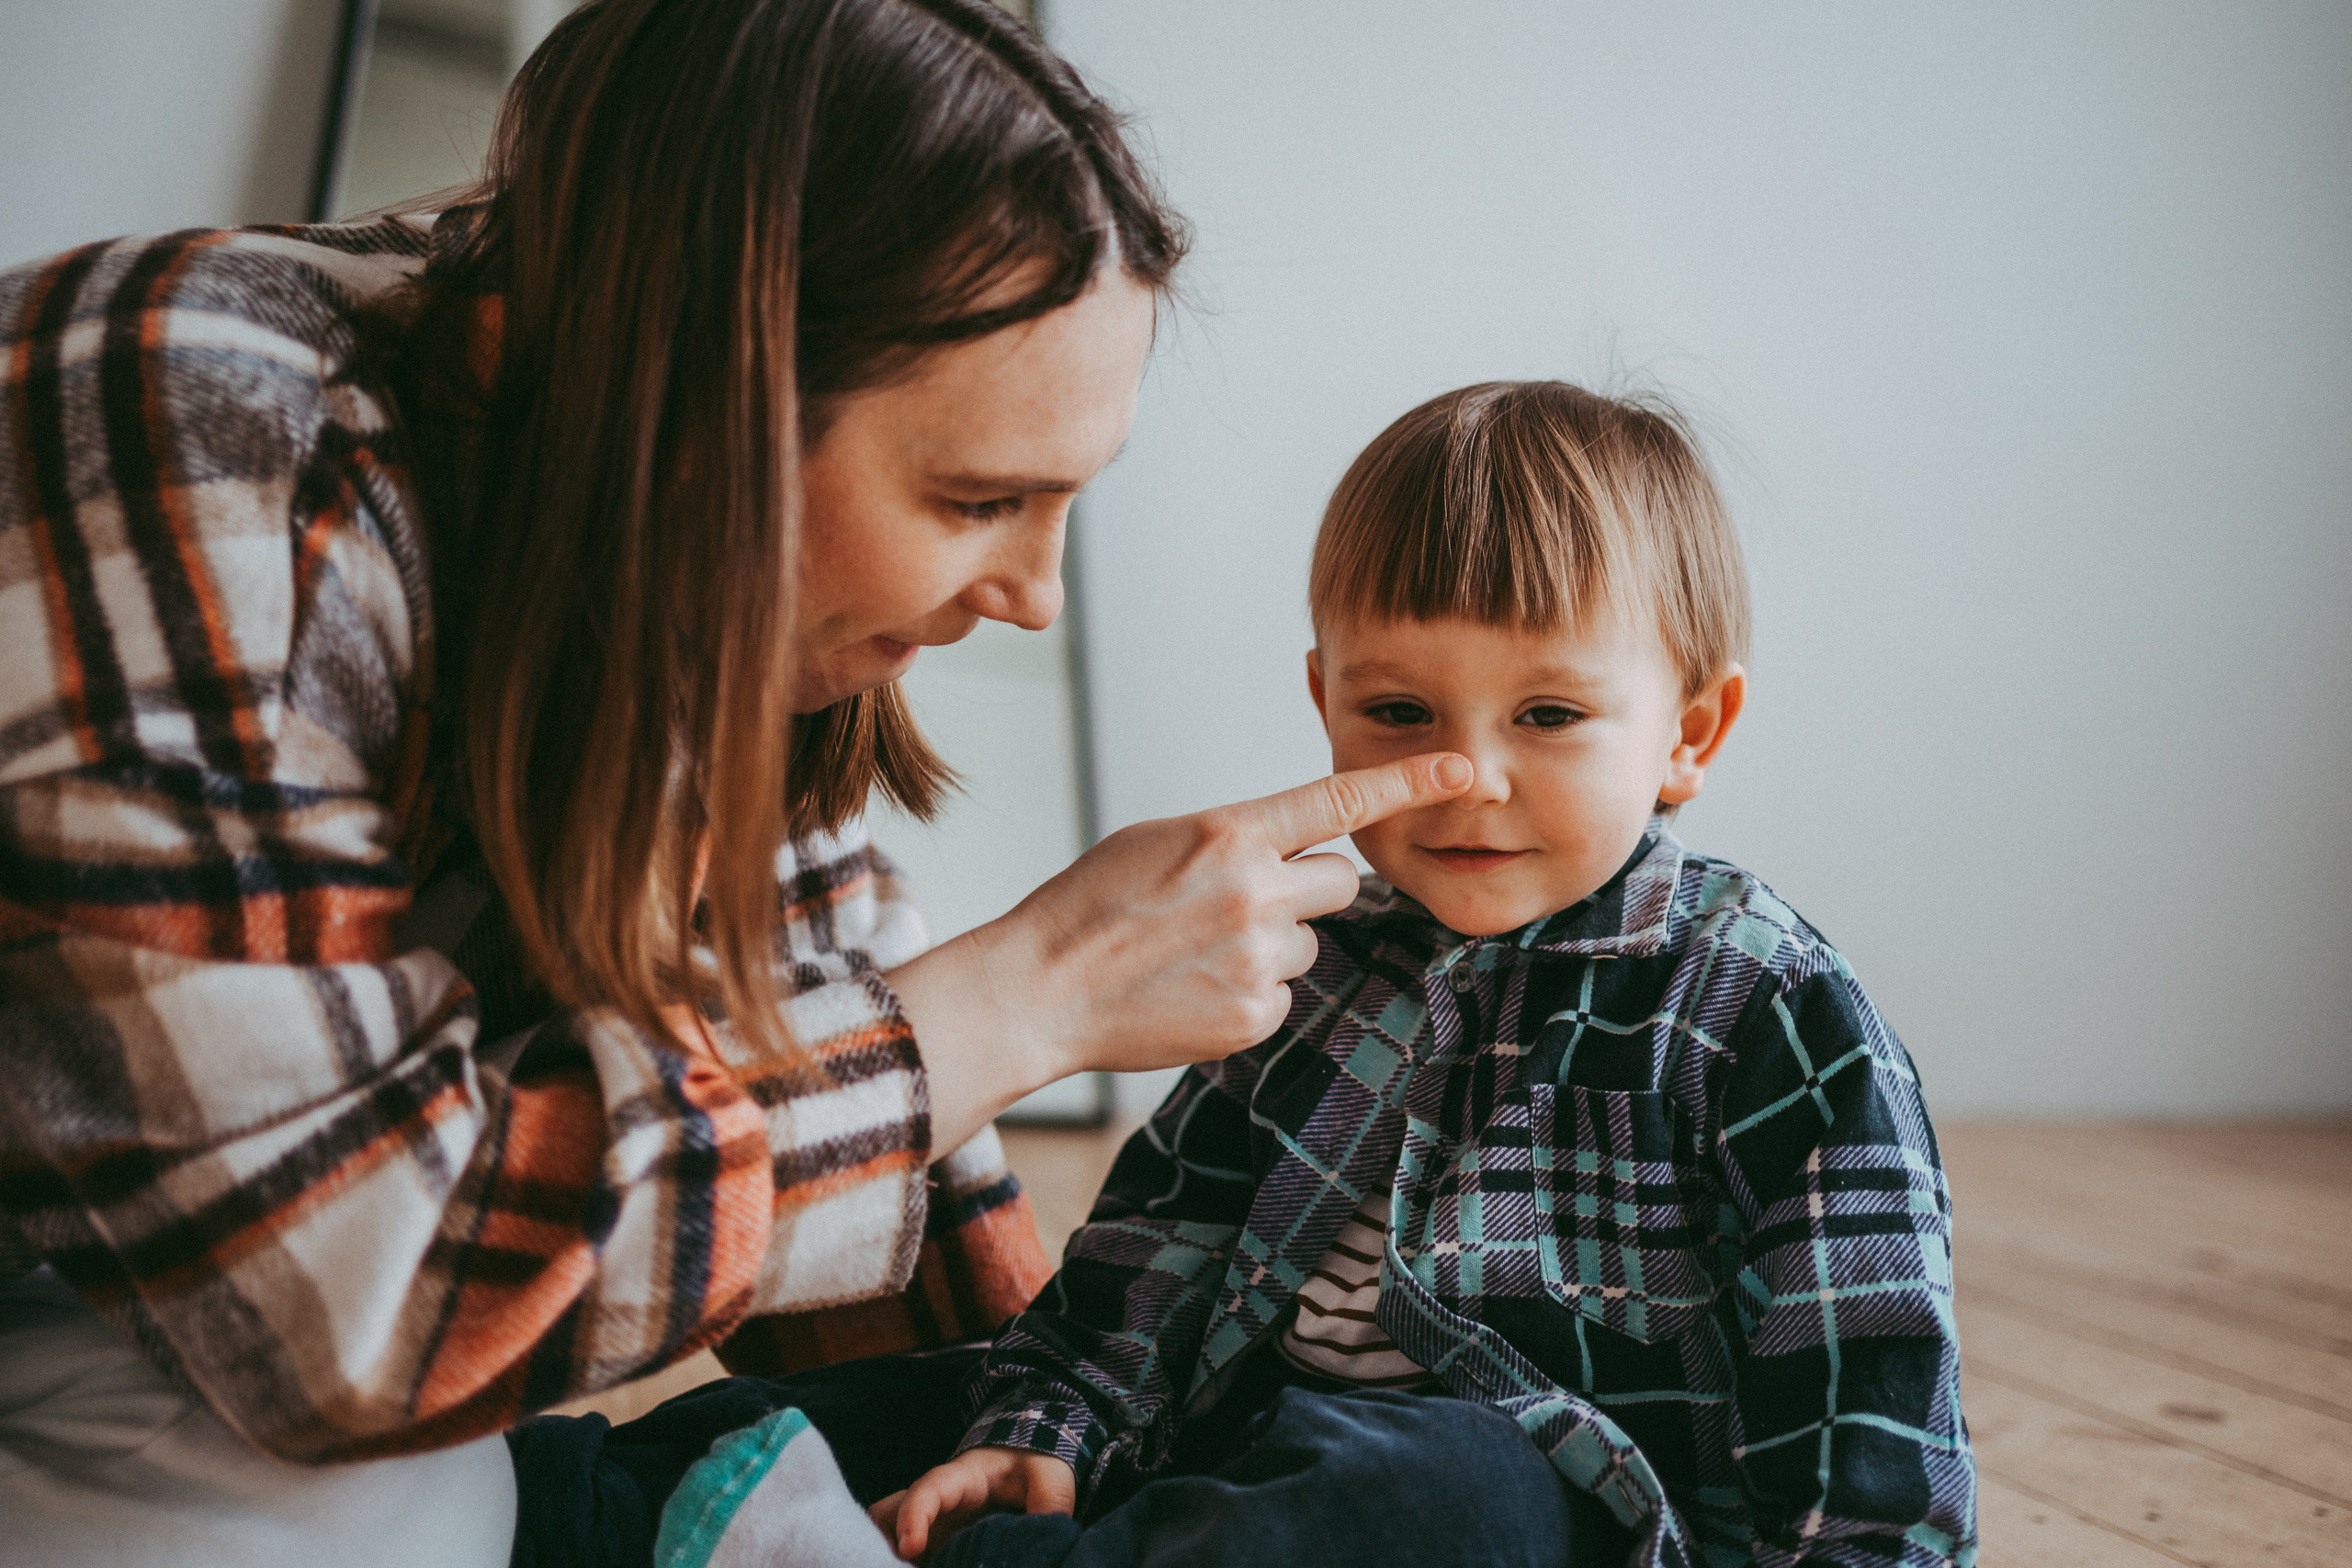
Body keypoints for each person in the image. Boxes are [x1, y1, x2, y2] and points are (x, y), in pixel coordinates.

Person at [0, 4, 1472, 1564]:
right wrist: (1026, 994)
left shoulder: (672, 584)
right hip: (173, 1318)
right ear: (710, 407)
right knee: (373, 1513)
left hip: (185, 1316)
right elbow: (331, 1307)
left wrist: (1058, 1413)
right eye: (979, 498)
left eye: (1060, 508)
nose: (1034, 593)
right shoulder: (191, 436)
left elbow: (789, 1042)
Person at [866, 382, 1980, 1567]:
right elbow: (1158, 1242)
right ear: (1325, 700)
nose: (1465, 777)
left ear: (1690, 735)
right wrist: (1051, 1432)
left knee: (1441, 1490)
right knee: (890, 1411)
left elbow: (1870, 1385)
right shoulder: (1298, 956)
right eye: (1399, 709)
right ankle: (681, 1499)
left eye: (1549, 714)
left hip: (1530, 1503)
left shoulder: (1761, 1009)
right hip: (1238, 1448)